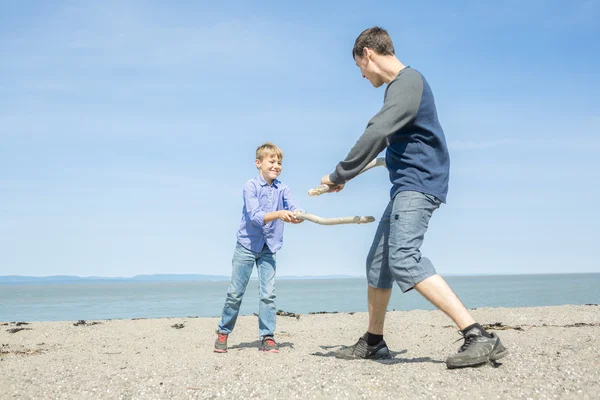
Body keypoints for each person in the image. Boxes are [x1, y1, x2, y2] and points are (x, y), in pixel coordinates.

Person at [318, 27, 507, 368]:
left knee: (403, 257)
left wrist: (339, 173)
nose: (361, 75)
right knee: (378, 262)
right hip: (407, 183)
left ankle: (478, 334)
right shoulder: (402, 89)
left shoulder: (407, 83)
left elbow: (377, 131)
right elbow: (395, 146)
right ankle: (374, 341)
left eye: (359, 67)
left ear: (367, 54)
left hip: (418, 185)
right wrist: (350, 176)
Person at [214, 142, 303, 353]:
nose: (276, 165)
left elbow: (294, 206)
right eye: (272, 161)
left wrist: (298, 215)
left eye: (279, 162)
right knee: (235, 293)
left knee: (268, 294)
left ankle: (267, 337)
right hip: (246, 245)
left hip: (269, 247)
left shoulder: (283, 189)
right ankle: (223, 332)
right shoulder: (250, 186)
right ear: (258, 163)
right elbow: (255, 217)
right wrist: (280, 214)